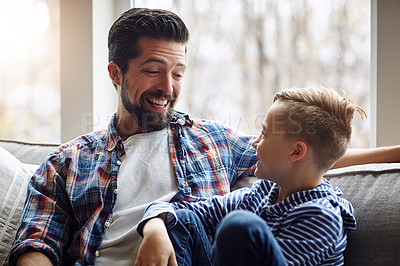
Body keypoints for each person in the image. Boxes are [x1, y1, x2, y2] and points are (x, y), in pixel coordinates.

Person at [8, 8, 400, 266]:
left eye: (177, 72)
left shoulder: (213, 140)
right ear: (116, 74)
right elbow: (37, 244)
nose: (167, 86)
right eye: (153, 70)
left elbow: (308, 155)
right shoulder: (67, 161)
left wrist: (395, 152)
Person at [136, 87, 365, 266]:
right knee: (182, 220)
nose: (254, 142)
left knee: (241, 226)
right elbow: (187, 209)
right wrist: (154, 225)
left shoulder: (322, 216)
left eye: (264, 134)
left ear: (296, 152)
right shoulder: (262, 193)